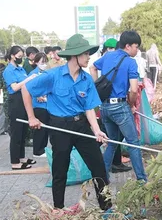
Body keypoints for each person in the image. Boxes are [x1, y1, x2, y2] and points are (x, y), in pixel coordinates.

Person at [21, 34, 111, 211]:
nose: (88, 57)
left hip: (81, 126)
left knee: (99, 168)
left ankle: (107, 209)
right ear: (75, 55)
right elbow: (26, 88)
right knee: (60, 170)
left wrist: (96, 130)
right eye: (85, 54)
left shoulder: (86, 80)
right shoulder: (53, 75)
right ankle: (58, 209)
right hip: (59, 127)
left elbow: (89, 108)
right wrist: (31, 117)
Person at [90, 30, 147, 182]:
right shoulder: (130, 62)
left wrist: (96, 87)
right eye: (136, 46)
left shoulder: (107, 56)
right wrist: (131, 104)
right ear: (128, 46)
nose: (137, 50)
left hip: (105, 108)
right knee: (133, 144)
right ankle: (142, 180)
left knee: (112, 143)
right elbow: (134, 89)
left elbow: (92, 68)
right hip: (120, 108)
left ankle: (102, 178)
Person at [91, 38, 132, 173]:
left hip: (105, 105)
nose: (113, 51)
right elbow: (133, 89)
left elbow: (93, 67)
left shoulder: (109, 59)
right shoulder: (110, 58)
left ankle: (111, 165)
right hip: (114, 105)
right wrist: (96, 84)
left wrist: (96, 84)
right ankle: (110, 164)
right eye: (110, 48)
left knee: (113, 138)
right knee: (115, 138)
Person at [3, 46, 38, 170]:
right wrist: (29, 79)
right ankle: (15, 162)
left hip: (25, 100)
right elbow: (14, 87)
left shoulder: (20, 69)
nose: (20, 58)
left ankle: (21, 157)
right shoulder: (9, 71)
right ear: (12, 56)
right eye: (19, 56)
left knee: (23, 132)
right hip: (16, 102)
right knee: (16, 132)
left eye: (22, 56)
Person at [28, 53, 49, 157]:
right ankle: (37, 150)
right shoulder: (33, 74)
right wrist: (36, 96)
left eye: (45, 62)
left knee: (45, 129)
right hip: (38, 106)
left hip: (47, 105)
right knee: (39, 129)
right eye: (42, 62)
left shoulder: (46, 73)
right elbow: (27, 89)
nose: (44, 64)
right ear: (36, 62)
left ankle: (43, 149)